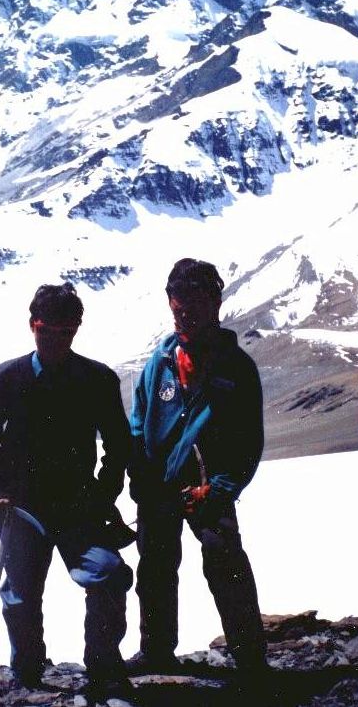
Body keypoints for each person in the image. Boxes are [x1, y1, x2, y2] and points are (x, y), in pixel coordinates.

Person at [0, 283, 135, 702]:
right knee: (21, 593)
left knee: (109, 574)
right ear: (33, 326)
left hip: (79, 508)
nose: (57, 339)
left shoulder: (97, 380)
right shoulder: (8, 379)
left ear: (76, 329)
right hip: (21, 510)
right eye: (49, 330)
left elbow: (119, 444)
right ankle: (27, 671)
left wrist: (103, 493)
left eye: (66, 331)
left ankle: (103, 668)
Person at [127, 258, 267, 678]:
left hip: (210, 487)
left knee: (224, 562)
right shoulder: (162, 360)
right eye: (177, 302)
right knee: (154, 565)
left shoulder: (235, 368)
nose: (183, 311)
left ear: (214, 302)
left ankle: (250, 659)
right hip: (159, 484)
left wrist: (220, 488)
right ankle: (155, 650)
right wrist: (141, 473)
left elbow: (248, 441)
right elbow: (139, 418)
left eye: (193, 301)